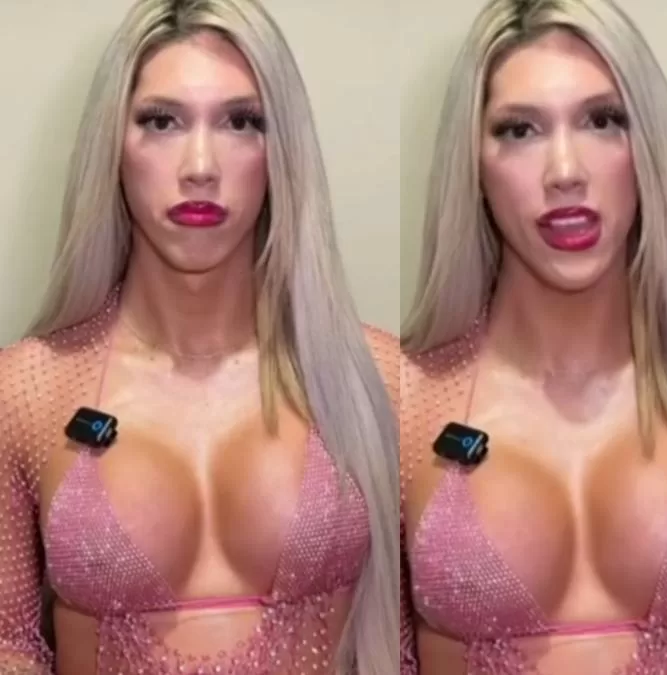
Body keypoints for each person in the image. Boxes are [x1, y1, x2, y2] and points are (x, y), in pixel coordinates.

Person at [368, 0, 667, 672]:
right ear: (472, 165)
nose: (565, 170)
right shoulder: (401, 407)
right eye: (520, 130)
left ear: (649, 148)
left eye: (602, 120)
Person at [0, 0, 403, 672]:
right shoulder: (25, 393)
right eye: (162, 121)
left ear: (282, 151)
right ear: (112, 145)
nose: (200, 165)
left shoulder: (378, 379)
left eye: (241, 121)